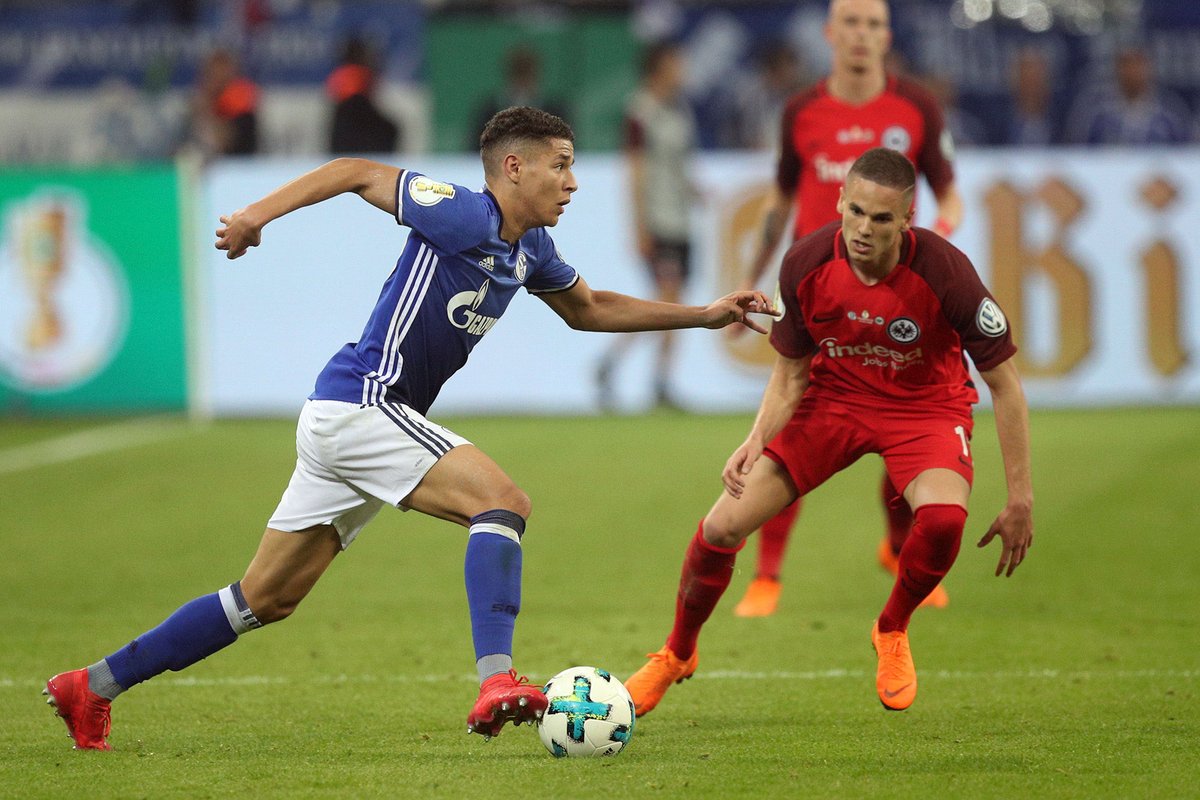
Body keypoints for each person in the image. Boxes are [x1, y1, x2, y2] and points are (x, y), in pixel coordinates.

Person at [42, 107, 776, 751]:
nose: (574, 182)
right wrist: (254, 216)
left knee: (262, 600)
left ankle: (92, 686)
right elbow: (356, 170)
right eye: (562, 166)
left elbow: (588, 309)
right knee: (504, 502)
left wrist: (705, 313)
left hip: (354, 424)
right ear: (513, 167)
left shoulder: (531, 250)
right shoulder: (461, 211)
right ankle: (496, 680)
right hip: (364, 404)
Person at [625, 147, 1034, 715]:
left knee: (943, 519)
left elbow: (1006, 385)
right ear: (840, 201)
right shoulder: (805, 263)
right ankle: (676, 654)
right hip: (834, 403)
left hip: (926, 407)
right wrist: (755, 439)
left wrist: (1020, 497)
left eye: (882, 218)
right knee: (720, 527)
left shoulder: (948, 273)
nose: (865, 229)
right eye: (857, 212)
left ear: (907, 220)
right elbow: (790, 374)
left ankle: (891, 628)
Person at [732, 0, 963, 618]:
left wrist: (932, 242)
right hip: (814, 296)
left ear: (887, 36)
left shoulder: (916, 107)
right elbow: (781, 198)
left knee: (905, 421)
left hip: (893, 295)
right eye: (851, 23)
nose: (861, 34)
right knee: (793, 421)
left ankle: (897, 548)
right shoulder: (802, 112)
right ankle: (768, 575)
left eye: (873, 24)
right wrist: (752, 280)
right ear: (831, 34)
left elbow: (950, 194)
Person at [595, 41, 697, 411]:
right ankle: (647, 376)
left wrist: (694, 190)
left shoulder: (679, 109)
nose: (683, 69)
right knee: (668, 301)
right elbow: (635, 172)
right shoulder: (641, 111)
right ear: (659, 66)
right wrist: (638, 225)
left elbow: (677, 164)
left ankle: (648, 376)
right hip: (658, 220)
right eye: (676, 62)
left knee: (674, 303)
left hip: (682, 221)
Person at [1066, 43, 1192, 146]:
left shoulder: (1170, 112)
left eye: (1138, 64)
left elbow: (1188, 154)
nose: (1132, 72)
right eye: (1126, 64)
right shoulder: (1094, 111)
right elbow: (1075, 151)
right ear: (1116, 68)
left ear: (1150, 68)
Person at [327, 36, 401, 154]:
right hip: (355, 116)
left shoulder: (340, 73)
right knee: (389, 129)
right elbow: (356, 103)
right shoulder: (356, 73)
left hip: (347, 120)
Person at [188, 48, 259, 158]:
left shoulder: (240, 96)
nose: (217, 76)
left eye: (222, 70)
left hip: (240, 163)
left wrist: (207, 107)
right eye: (212, 72)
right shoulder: (202, 98)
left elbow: (223, 142)